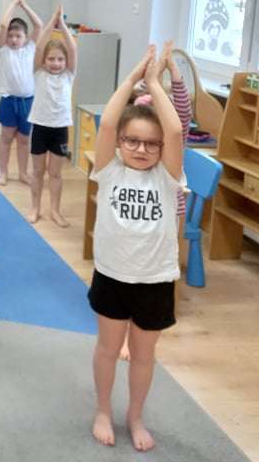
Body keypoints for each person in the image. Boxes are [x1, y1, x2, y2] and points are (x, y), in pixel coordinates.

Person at [88, 43, 184, 453]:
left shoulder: (167, 177)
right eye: (132, 141)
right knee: (109, 349)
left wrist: (154, 83)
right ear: (120, 143)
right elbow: (108, 123)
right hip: (112, 275)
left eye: (151, 144)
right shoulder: (109, 170)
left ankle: (136, 415)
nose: (141, 149)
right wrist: (132, 78)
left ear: (161, 149)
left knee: (144, 355)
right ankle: (103, 410)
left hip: (154, 280)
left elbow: (175, 131)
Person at [27, 5, 77, 227]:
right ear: (44, 60)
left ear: (66, 62)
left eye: (60, 59)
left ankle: (55, 211)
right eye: (51, 59)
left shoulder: (68, 75)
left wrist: (62, 26)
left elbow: (72, 49)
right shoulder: (38, 73)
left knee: (55, 173)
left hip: (60, 129)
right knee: (38, 171)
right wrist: (51, 23)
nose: (56, 64)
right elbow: (39, 46)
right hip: (40, 126)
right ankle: (35, 208)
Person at [0, 0, 43, 186]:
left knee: (24, 140)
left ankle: (23, 173)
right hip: (9, 100)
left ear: (25, 37)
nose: (14, 39)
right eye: (10, 36)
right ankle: (3, 172)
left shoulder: (30, 48)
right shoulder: (5, 51)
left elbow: (39, 25)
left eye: (18, 36)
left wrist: (24, 6)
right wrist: (14, 3)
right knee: (6, 138)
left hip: (27, 101)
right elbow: (3, 25)